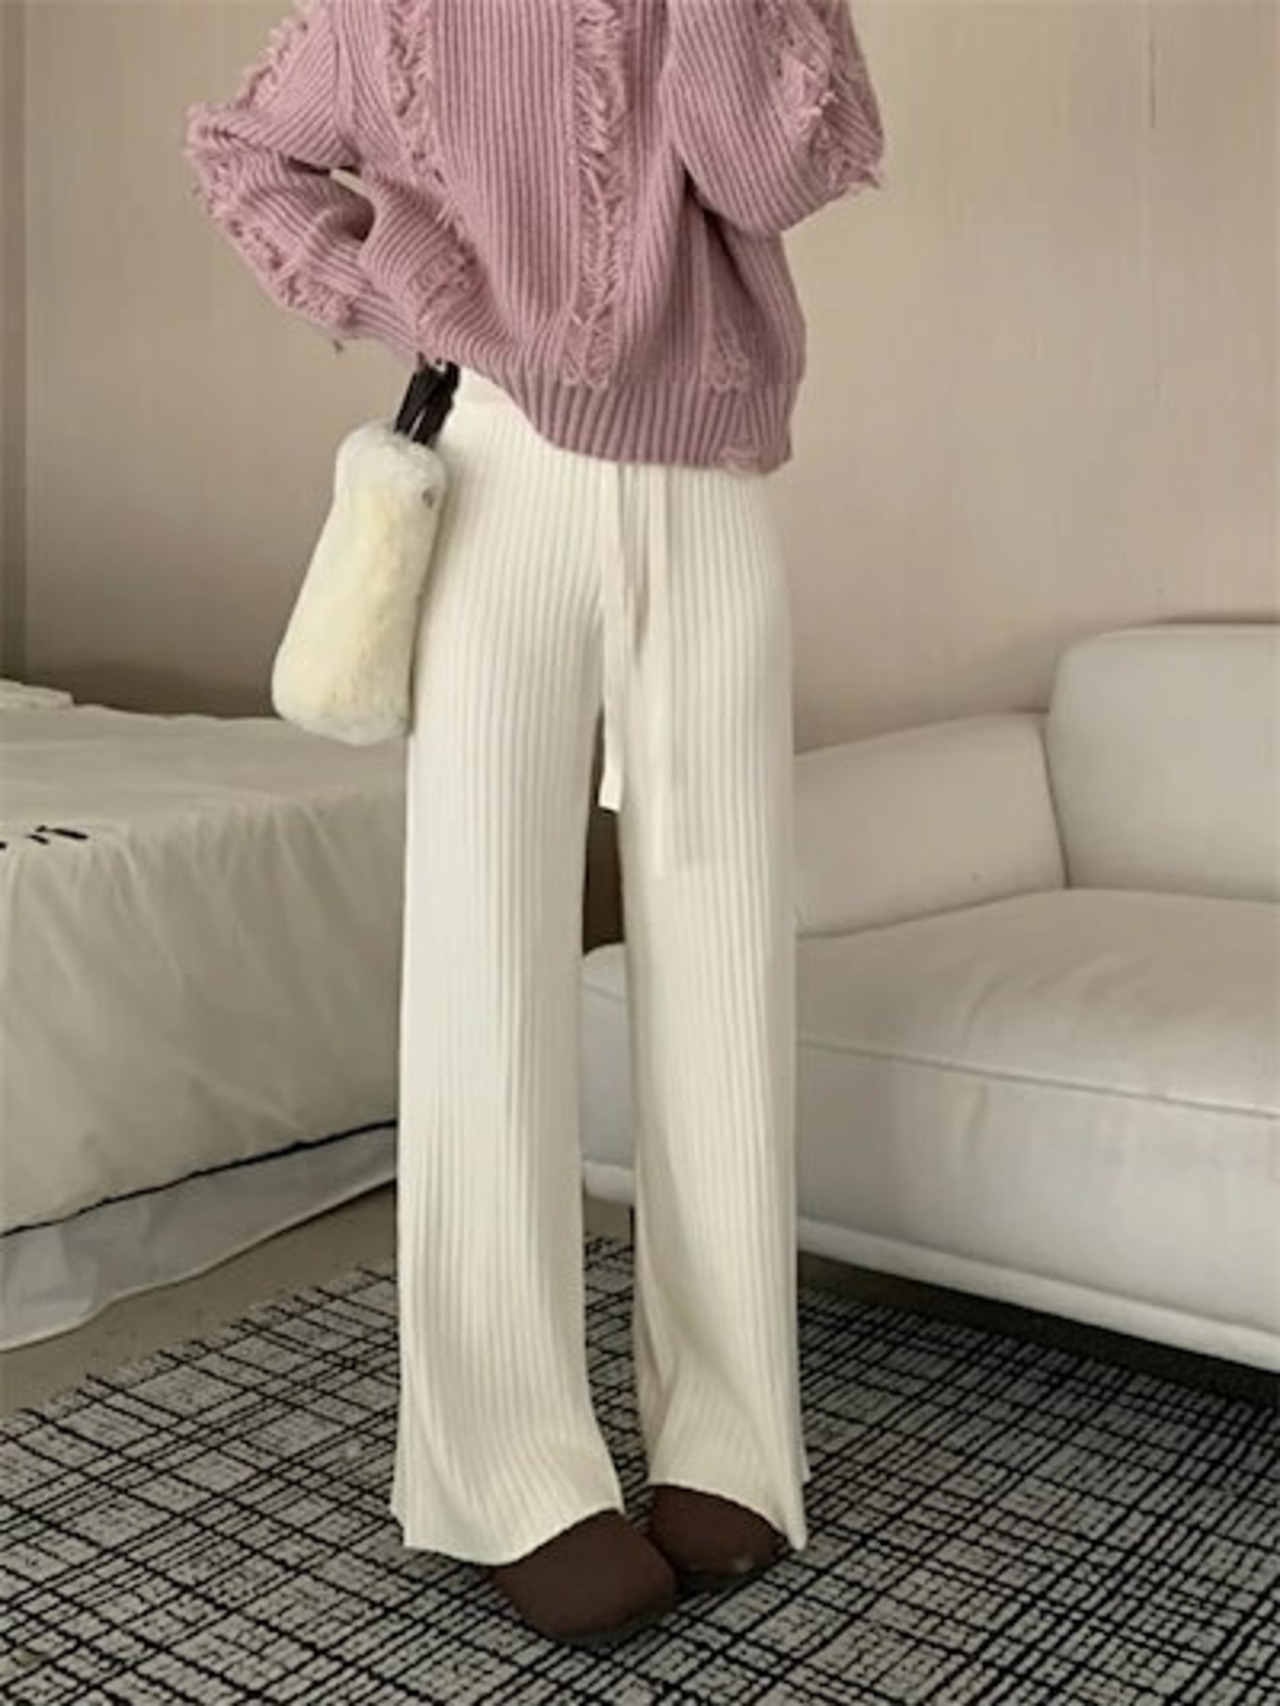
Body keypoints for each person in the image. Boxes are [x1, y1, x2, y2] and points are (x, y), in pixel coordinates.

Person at [185, 0, 884, 1650]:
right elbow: (245, 152)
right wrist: (409, 294)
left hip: (711, 490)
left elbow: (770, 173)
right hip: (497, 479)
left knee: (725, 961)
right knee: (485, 966)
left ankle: (730, 1436)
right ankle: (506, 1469)